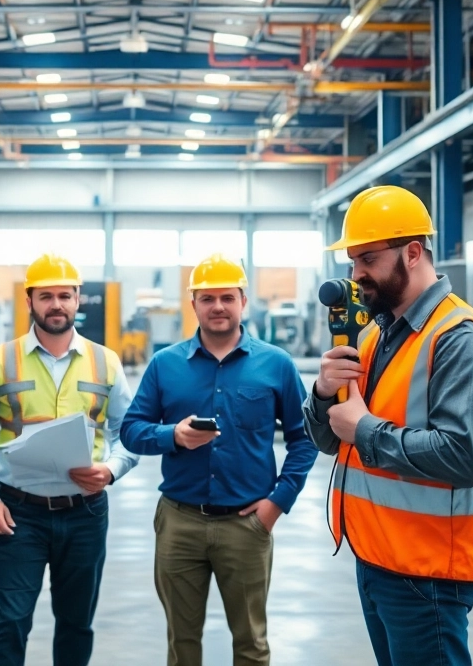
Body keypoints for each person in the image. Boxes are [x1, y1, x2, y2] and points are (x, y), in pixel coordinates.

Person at [302, 185, 473, 666]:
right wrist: (321, 395)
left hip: (429, 569)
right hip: (378, 556)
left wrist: (367, 430)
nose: (356, 276)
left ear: (413, 253)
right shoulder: (377, 332)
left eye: (368, 260)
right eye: (352, 262)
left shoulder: (462, 341)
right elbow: (330, 440)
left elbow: (461, 456)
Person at [121, 253, 317, 666]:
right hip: (180, 521)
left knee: (251, 644)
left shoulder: (275, 364)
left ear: (243, 301)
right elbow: (132, 430)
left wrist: (276, 503)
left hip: (246, 524)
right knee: (182, 644)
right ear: (193, 303)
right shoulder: (165, 365)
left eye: (227, 297)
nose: (218, 307)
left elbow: (305, 439)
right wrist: (172, 435)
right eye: (207, 298)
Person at [0, 253, 140, 666]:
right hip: (16, 514)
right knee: (10, 620)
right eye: (46, 296)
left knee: (77, 623)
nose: (56, 304)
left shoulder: (105, 361)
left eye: (65, 295)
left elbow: (127, 433)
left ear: (78, 300)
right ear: (29, 302)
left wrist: (111, 470)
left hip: (85, 513)